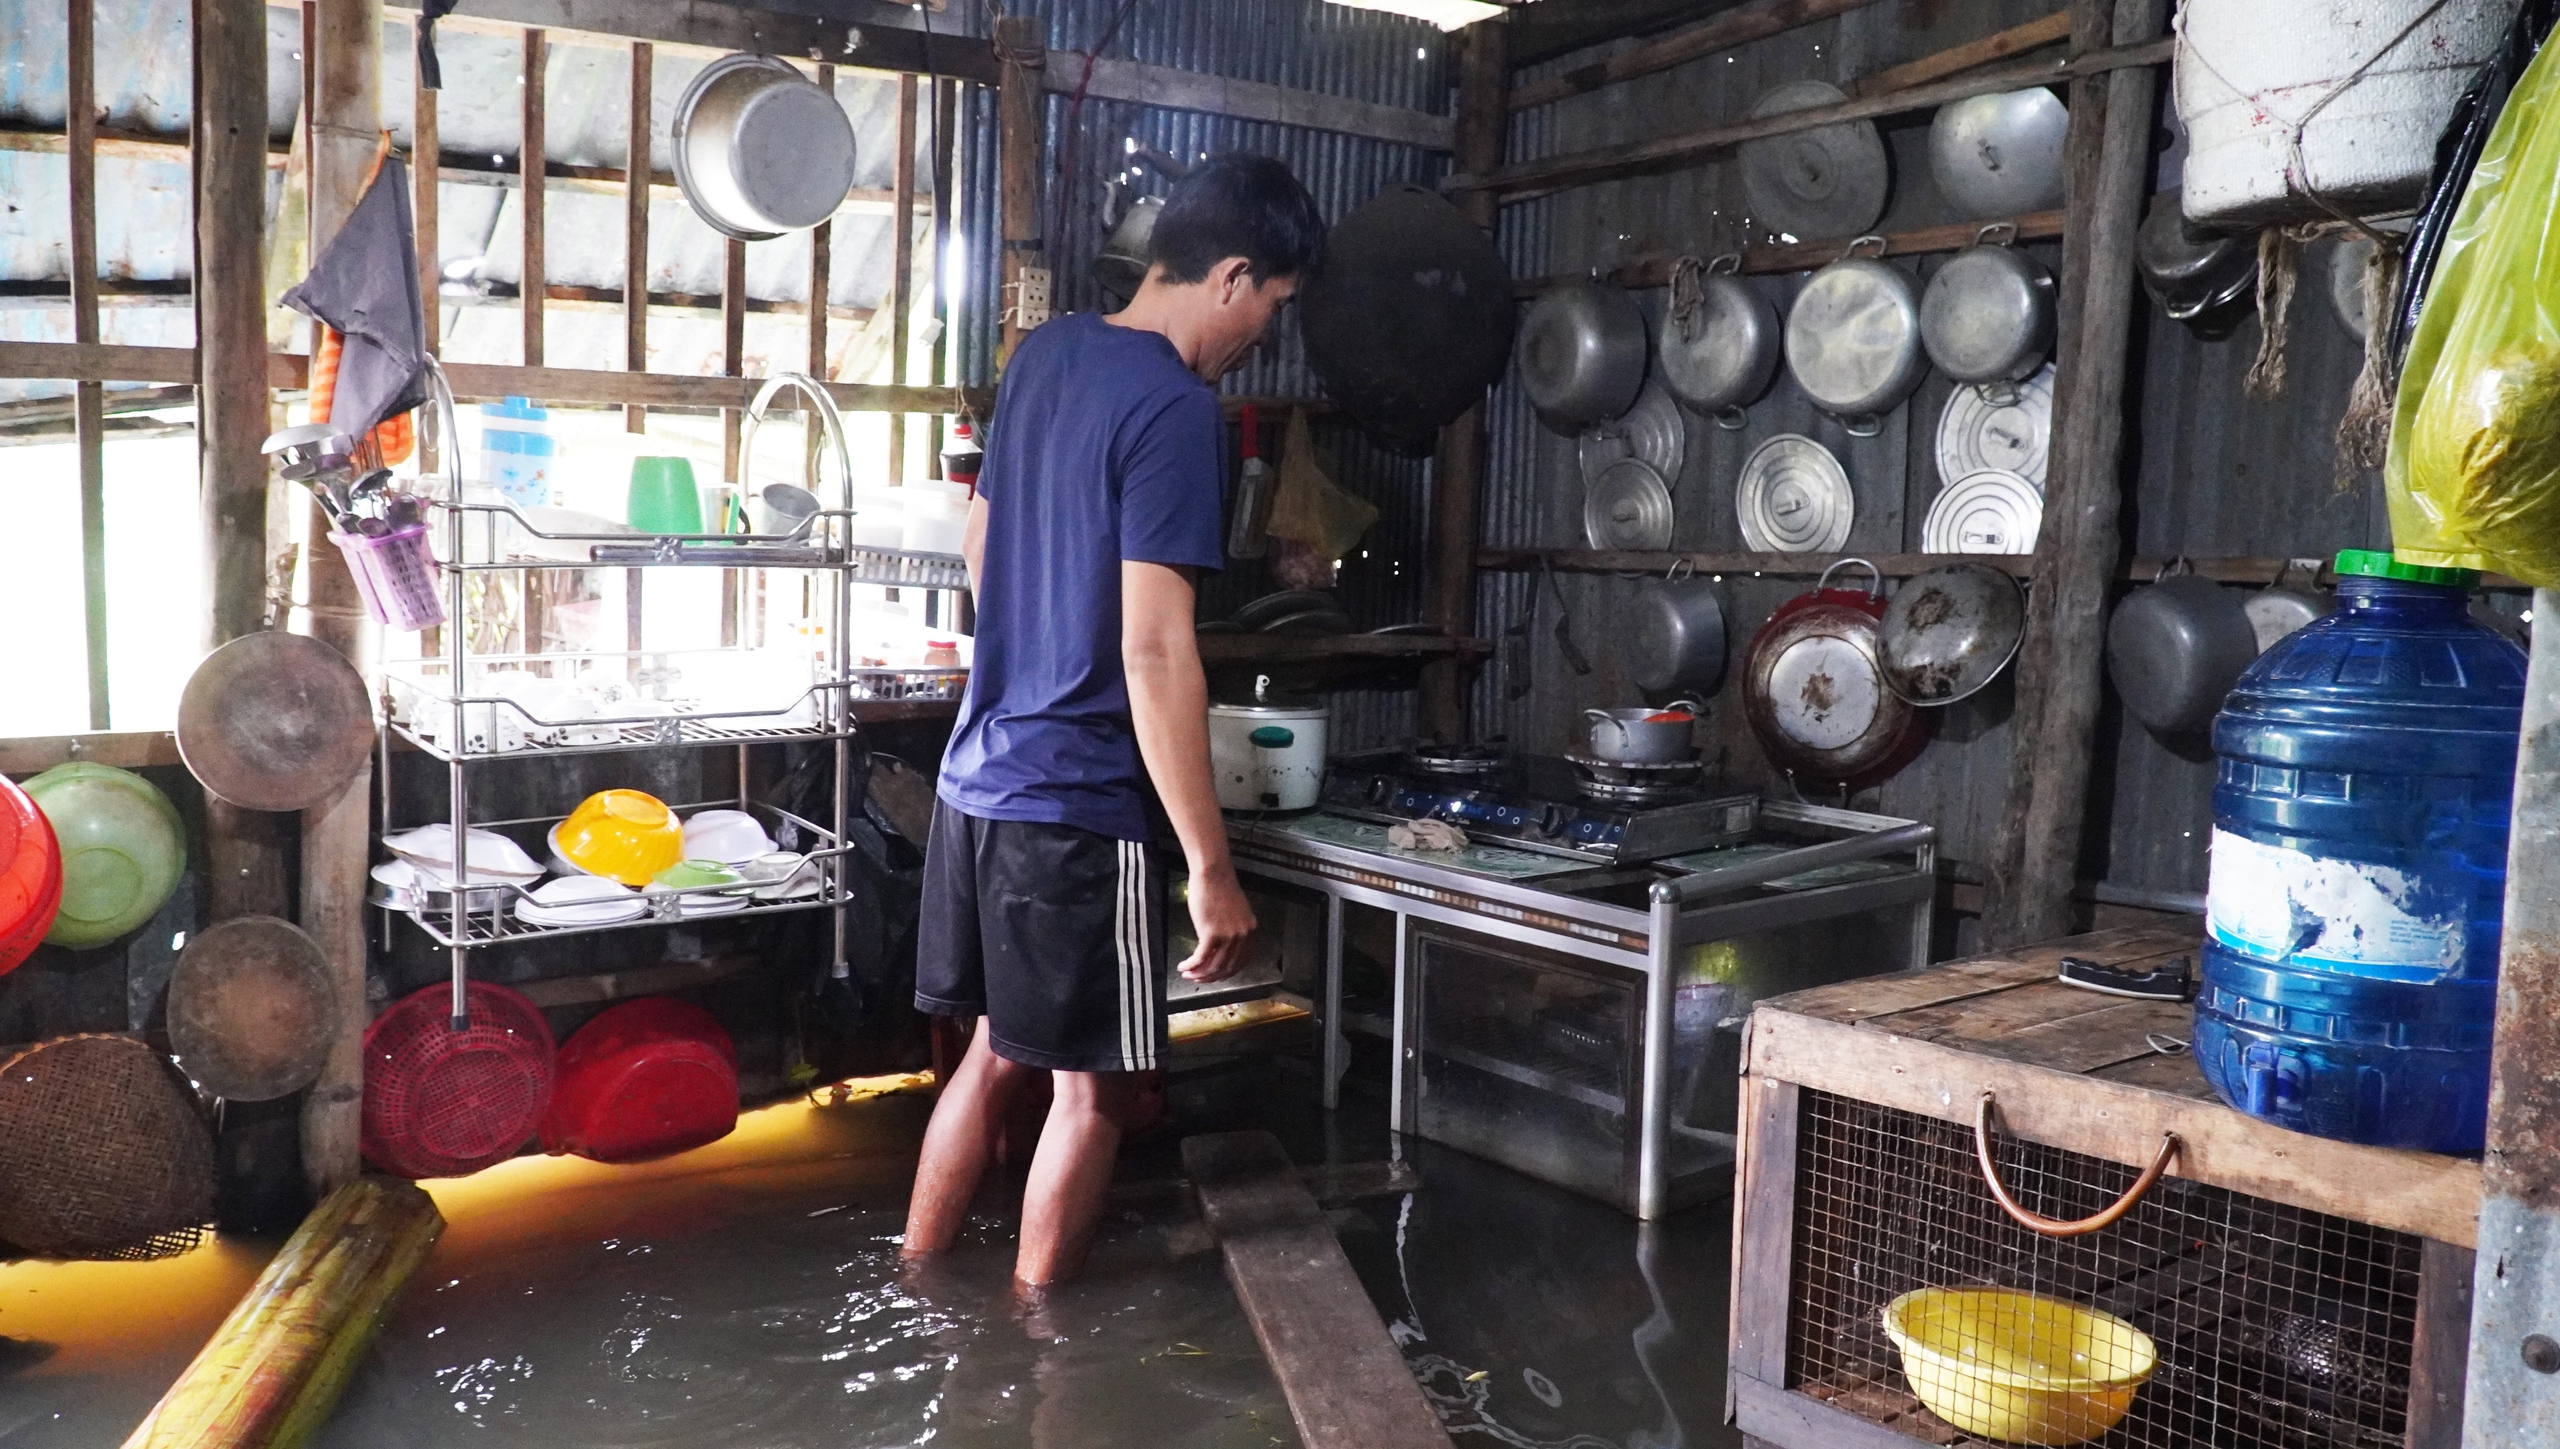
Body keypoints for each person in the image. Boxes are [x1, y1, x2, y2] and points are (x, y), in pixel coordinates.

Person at [900, 154, 1326, 1287]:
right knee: (1090, 1093)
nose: (1263, 334)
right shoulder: (1176, 407)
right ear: (1233, 277)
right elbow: (1153, 647)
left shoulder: (1045, 356)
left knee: (991, 1058)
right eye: (1272, 306)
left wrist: (1036, 652)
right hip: (1075, 808)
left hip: (977, 782)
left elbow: (980, 548)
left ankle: (921, 1284)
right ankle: (1036, 1350)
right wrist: (1210, 866)